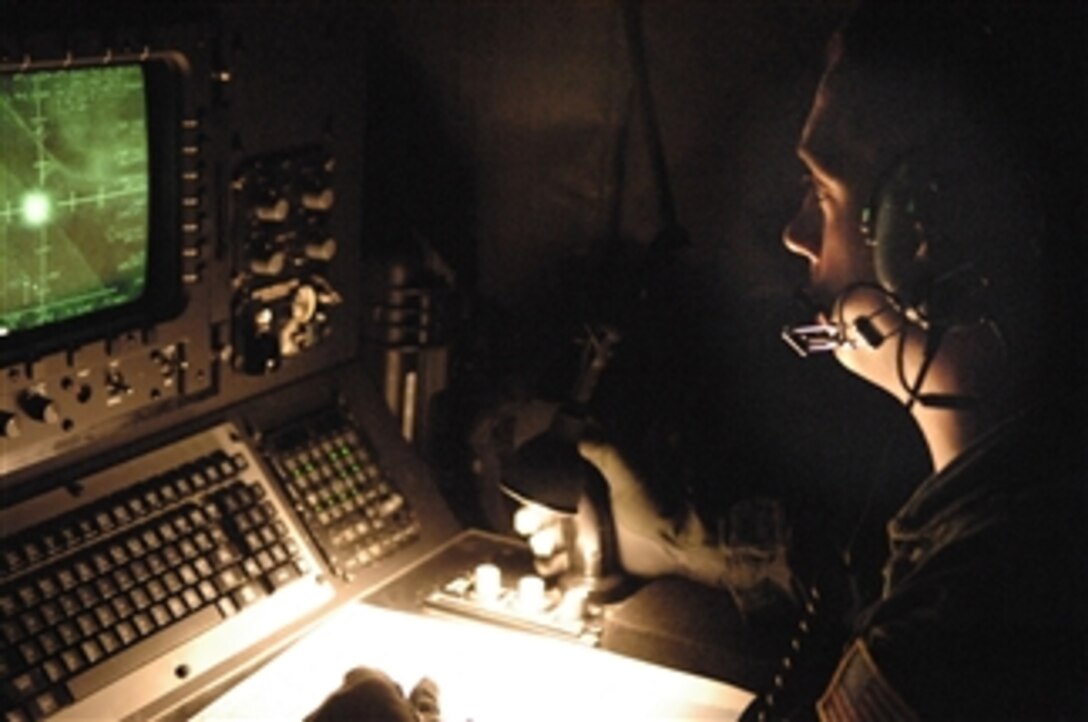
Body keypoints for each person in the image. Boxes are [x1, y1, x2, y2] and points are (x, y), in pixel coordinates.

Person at [308, 2, 1085, 720]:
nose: (794, 231)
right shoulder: (1013, 498)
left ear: (933, 242)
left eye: (822, 190)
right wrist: (676, 538)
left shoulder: (965, 627)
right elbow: (846, 572)